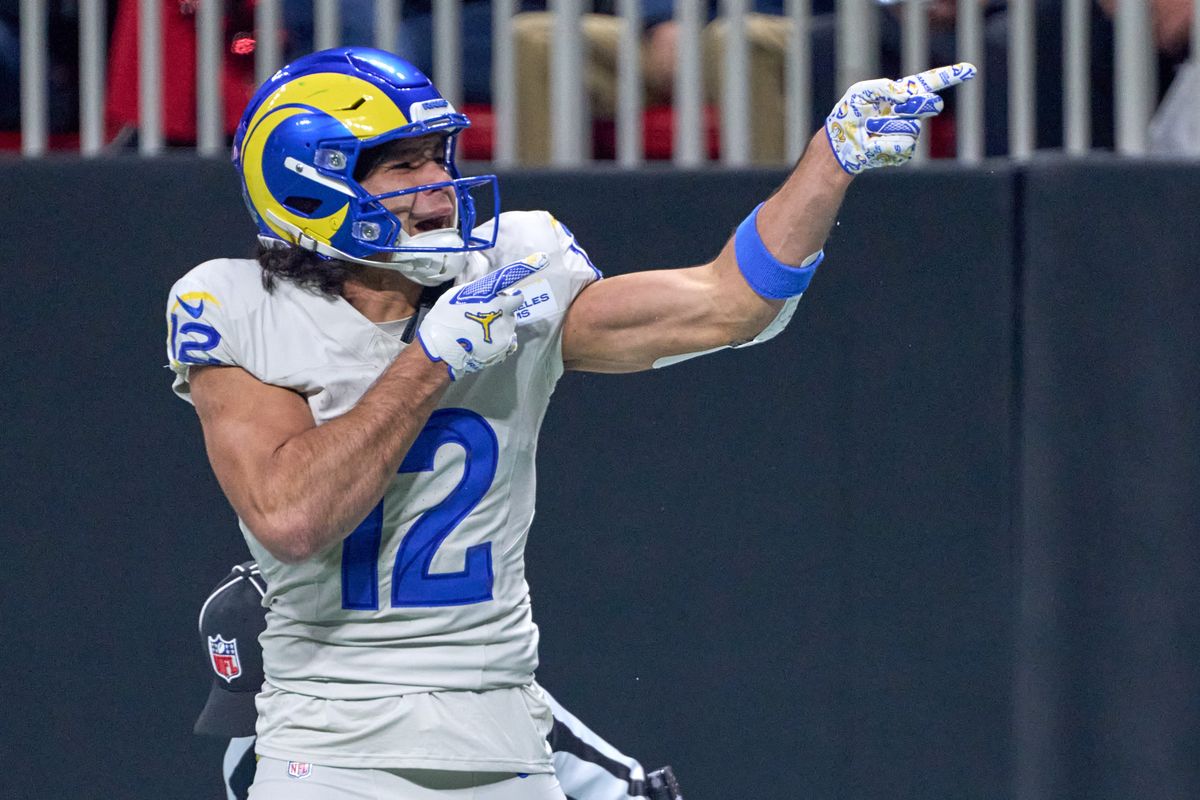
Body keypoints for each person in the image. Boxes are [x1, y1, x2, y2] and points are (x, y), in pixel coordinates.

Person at [166, 45, 973, 798]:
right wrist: (432, 358)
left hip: (504, 734)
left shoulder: (510, 271)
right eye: (403, 167)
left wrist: (826, 164)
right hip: (332, 748)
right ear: (308, 183)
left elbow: (729, 304)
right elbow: (292, 515)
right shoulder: (237, 305)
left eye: (439, 159)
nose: (440, 187)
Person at [195, 563, 683, 800]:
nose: (259, 723)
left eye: (272, 692)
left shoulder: (469, 704)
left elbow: (634, 793)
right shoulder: (249, 765)